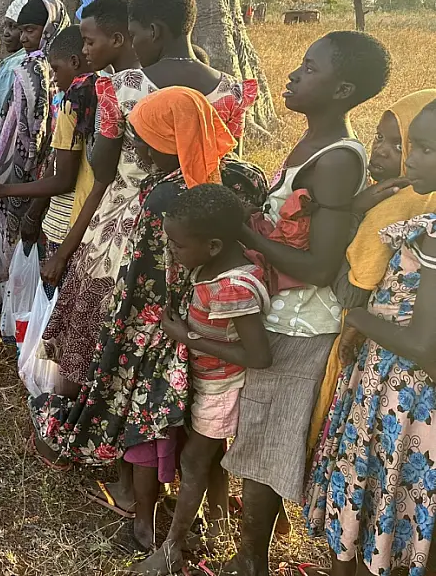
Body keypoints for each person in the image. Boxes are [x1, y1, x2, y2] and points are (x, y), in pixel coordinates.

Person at [32, 0, 262, 547]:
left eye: (134, 33)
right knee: (180, 365)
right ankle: (182, 471)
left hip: (126, 245)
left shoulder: (122, 89)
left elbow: (104, 170)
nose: (131, 42)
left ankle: (121, 468)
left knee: (114, 354)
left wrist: (67, 244)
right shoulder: (231, 91)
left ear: (153, 31)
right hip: (198, 251)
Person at [222, 30, 392, 576]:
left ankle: (252, 562)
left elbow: (320, 266)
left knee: (270, 440)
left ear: (342, 89)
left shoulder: (338, 159)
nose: (294, 75)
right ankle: (251, 556)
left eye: (309, 68)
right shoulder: (313, 148)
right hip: (282, 313)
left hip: (303, 324)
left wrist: (244, 233)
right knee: (261, 434)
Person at [304, 98, 436, 576]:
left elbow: (423, 346)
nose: (411, 159)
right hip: (396, 386)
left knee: (374, 499)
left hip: (402, 389)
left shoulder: (431, 233)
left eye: (423, 149)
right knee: (392, 506)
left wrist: (359, 322)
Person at [129, 183, 273, 575]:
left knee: (194, 460)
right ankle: (217, 523)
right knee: (209, 460)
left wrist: (188, 337)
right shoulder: (211, 269)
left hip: (223, 387)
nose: (173, 251)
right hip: (210, 382)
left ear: (212, 245)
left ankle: (172, 548)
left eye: (177, 244)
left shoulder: (232, 288)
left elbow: (258, 355)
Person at [0, 24, 92, 259]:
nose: (53, 77)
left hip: (66, 221)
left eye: (56, 69)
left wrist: (4, 190)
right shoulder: (90, 98)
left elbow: (63, 178)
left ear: (75, 62)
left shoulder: (71, 104)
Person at [0, 0, 45, 179]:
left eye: (15, 27)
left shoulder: (18, 65)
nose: (7, 34)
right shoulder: (23, 62)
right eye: (7, 26)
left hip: (8, 166)